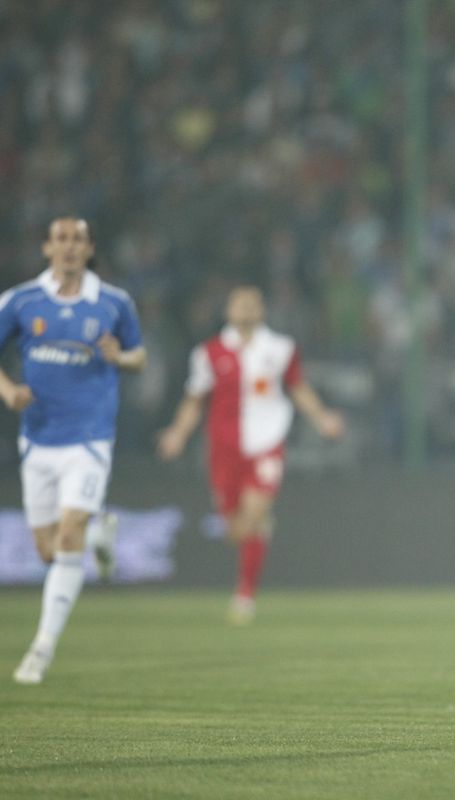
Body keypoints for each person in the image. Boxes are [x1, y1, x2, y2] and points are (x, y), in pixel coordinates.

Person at [0, 217, 145, 685]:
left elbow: (139, 355)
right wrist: (7, 390)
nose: (69, 246)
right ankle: (101, 535)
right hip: (38, 438)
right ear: (47, 248)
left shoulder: (114, 302)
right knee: (48, 551)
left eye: (77, 239)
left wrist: (119, 357)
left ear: (89, 249)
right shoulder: (21, 301)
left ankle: (41, 649)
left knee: (67, 538)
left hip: (89, 438)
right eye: (61, 239)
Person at [157, 286, 345, 625]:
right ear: (228, 311)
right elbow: (194, 400)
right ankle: (258, 534)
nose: (245, 308)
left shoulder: (280, 348)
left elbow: (297, 387)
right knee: (235, 531)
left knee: (253, 517)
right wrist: (177, 433)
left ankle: (245, 595)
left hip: (267, 442)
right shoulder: (208, 353)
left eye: (252, 303)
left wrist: (322, 418)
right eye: (239, 303)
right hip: (224, 448)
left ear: (262, 310)